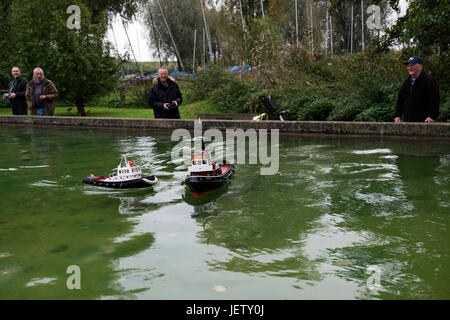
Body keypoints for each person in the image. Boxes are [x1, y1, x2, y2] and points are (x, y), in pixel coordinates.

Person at [394, 56, 439, 123]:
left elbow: (435, 100)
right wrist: (397, 115)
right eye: (408, 66)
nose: (409, 68)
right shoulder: (406, 82)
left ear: (420, 66)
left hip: (425, 121)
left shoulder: (429, 81)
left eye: (412, 65)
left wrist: (432, 116)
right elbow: (400, 100)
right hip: (408, 121)